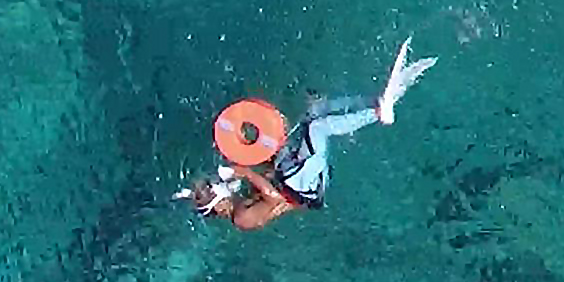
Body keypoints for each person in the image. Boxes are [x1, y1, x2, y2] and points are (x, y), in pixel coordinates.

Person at [185, 38, 437, 231]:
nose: (212, 185)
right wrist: (246, 172)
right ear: (217, 206)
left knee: (315, 112)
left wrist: (268, 148)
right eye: (209, 190)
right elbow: (273, 199)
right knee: (318, 128)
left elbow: (268, 178)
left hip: (293, 176)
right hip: (301, 187)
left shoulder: (239, 201)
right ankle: (378, 114)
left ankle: (372, 102)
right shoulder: (241, 218)